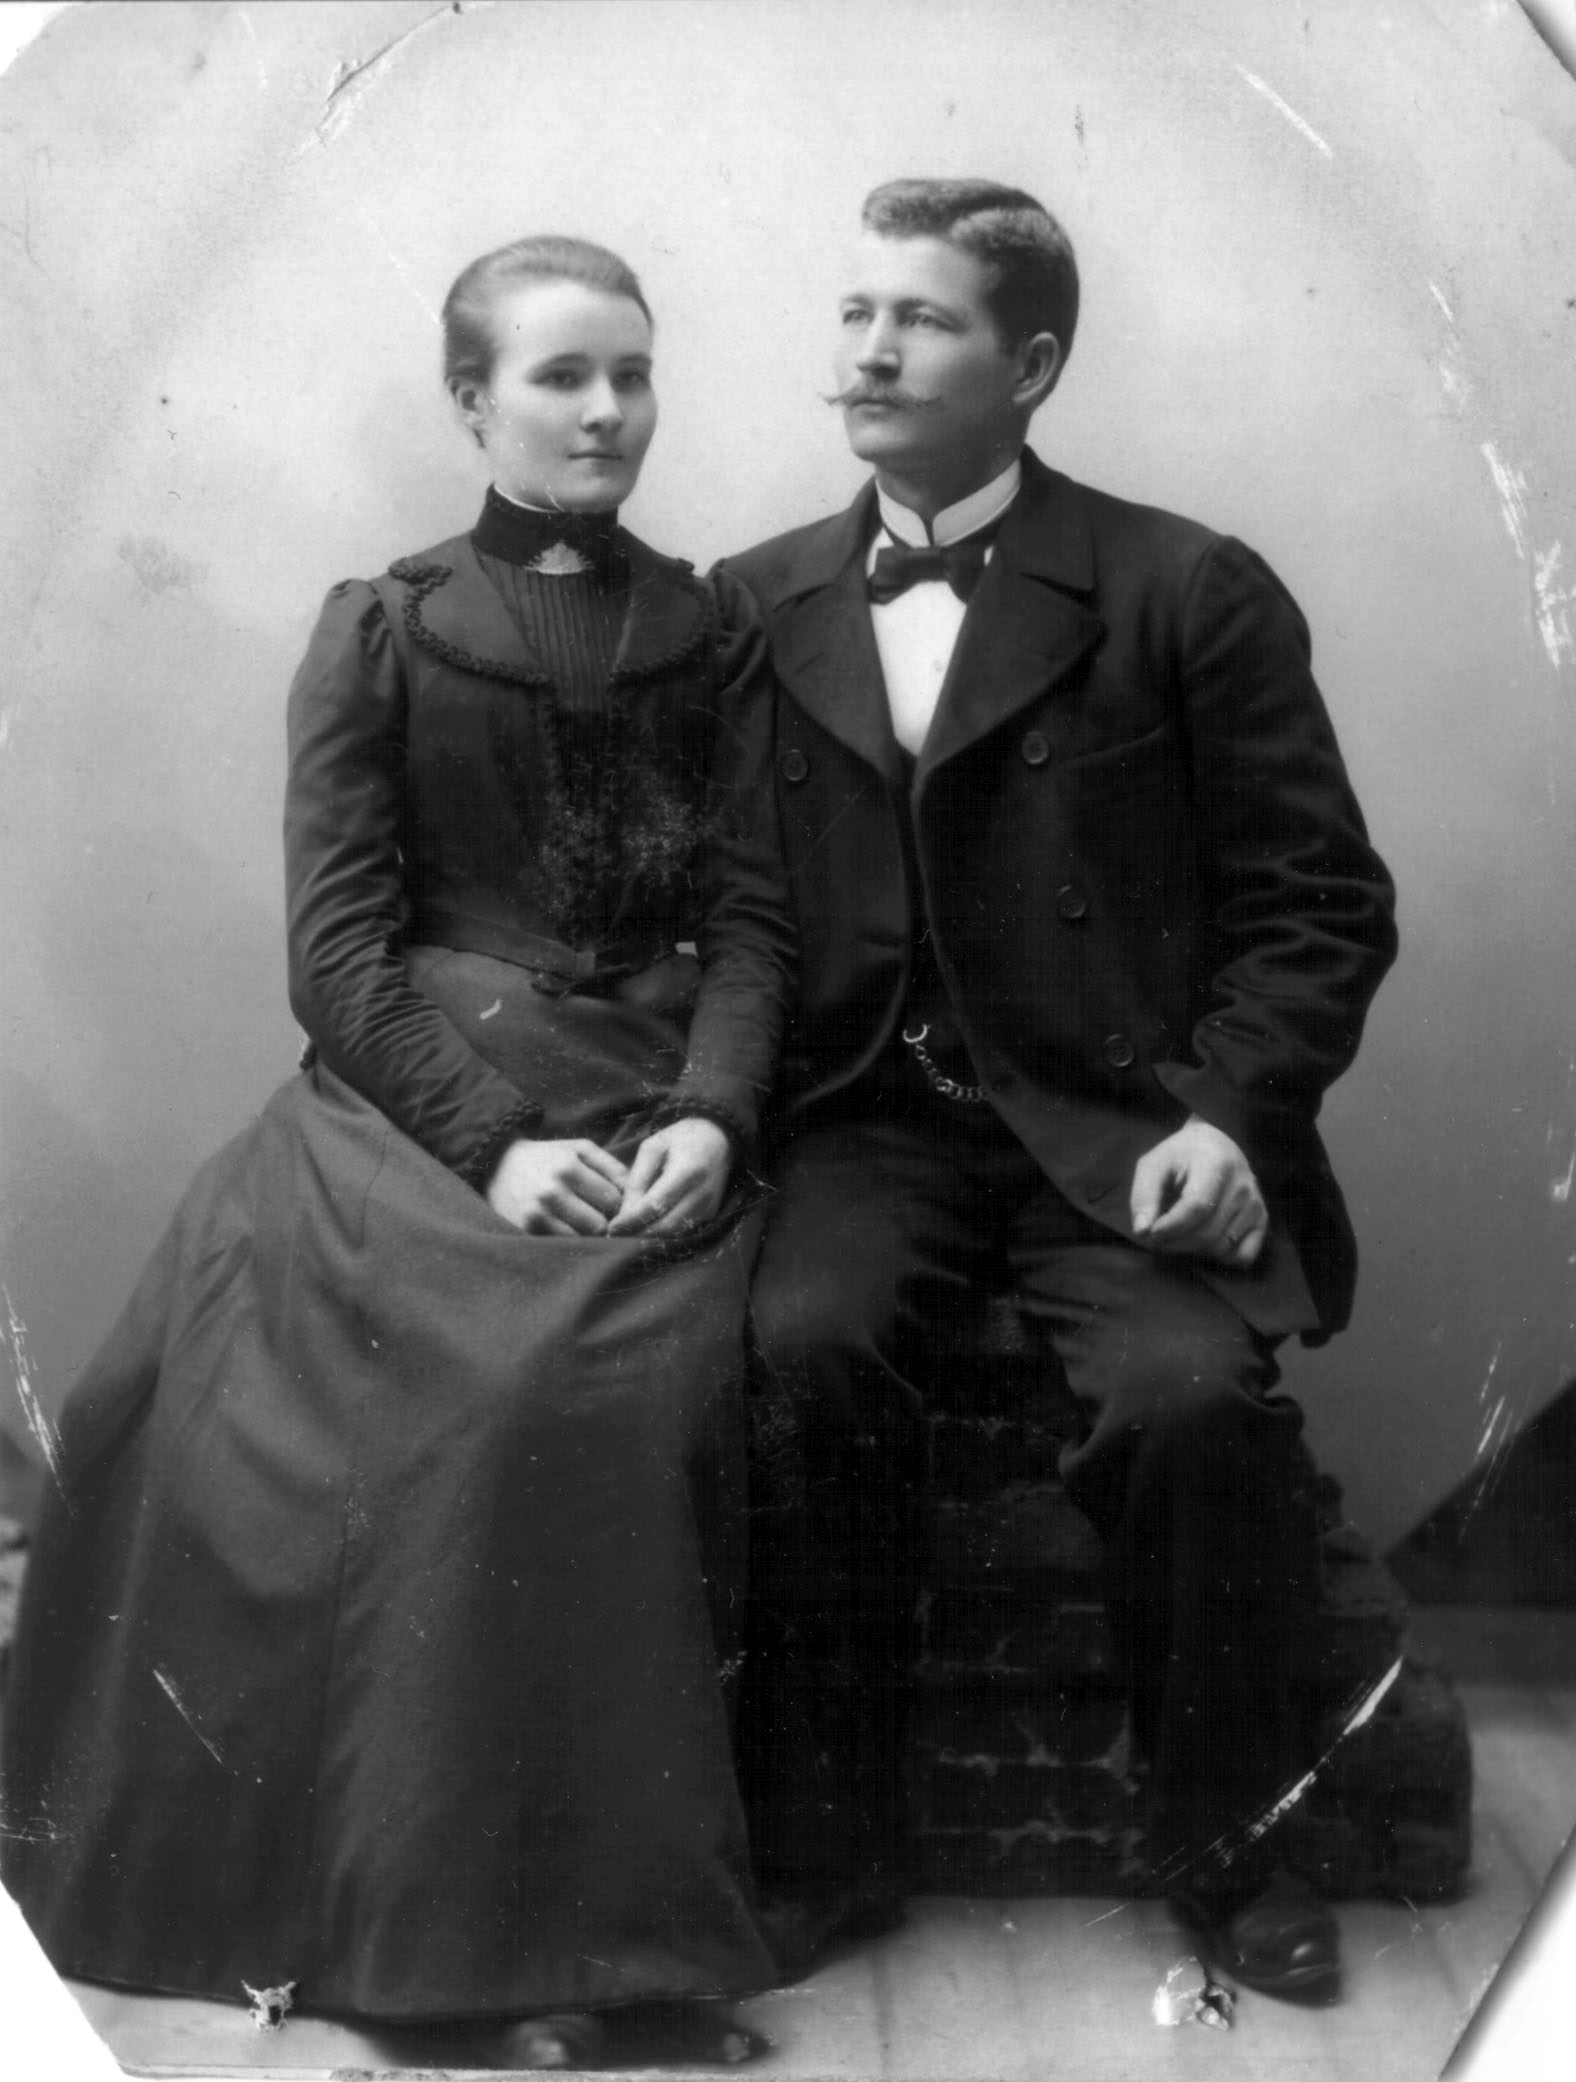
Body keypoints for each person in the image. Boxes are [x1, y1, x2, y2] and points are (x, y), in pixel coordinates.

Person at [0, 235, 794, 2070]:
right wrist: (494, 1143)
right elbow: (338, 954)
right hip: (425, 1093)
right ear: (471, 401)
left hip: (653, 1093)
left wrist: (715, 1109)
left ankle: (605, 1932)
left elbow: (759, 921)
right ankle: (450, 1952)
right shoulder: (384, 625)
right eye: (561, 375)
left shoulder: (716, 630)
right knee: (486, 1381)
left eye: (634, 373)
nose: (608, 410)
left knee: (616, 1377)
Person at [725, 179, 1398, 2002]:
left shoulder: (1185, 587)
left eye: (923, 319)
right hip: (869, 1120)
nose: (870, 352)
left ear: (1029, 368)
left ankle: (1236, 1850)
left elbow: (1321, 904)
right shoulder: (758, 602)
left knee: (1189, 1400)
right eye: (855, 311)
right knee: (799, 1348)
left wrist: (1232, 1116)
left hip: (1120, 1126)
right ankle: (830, 1847)